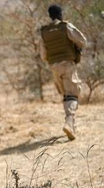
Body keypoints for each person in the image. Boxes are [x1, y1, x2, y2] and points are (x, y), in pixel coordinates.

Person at [40, 4, 86, 141]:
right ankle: (69, 122)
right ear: (60, 14)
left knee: (66, 94)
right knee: (73, 93)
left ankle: (71, 123)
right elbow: (82, 40)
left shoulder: (44, 31)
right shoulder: (65, 26)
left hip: (53, 66)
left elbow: (43, 54)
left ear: (49, 16)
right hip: (67, 64)